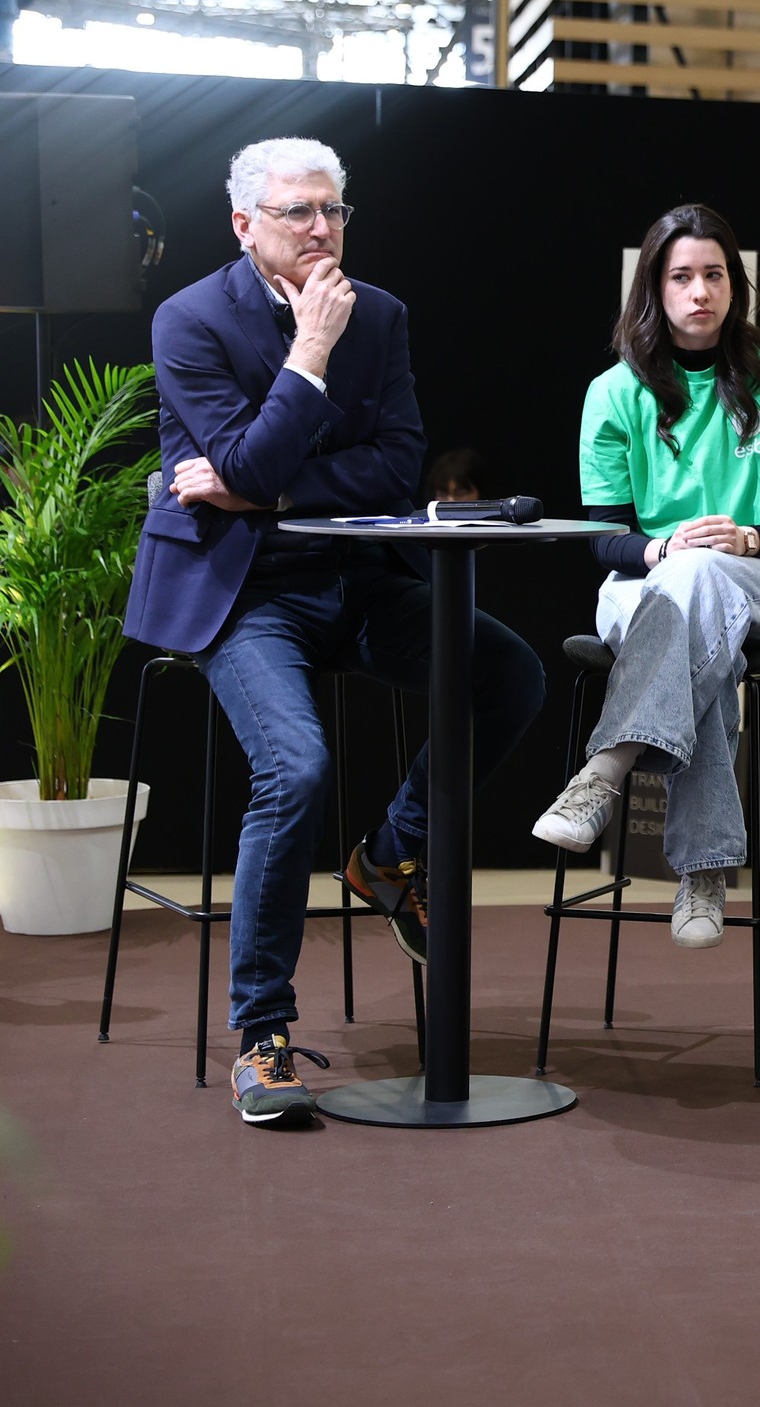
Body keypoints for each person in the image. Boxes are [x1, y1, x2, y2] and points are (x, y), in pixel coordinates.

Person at [122, 136, 547, 1127]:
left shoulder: (382, 314)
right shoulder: (189, 319)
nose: (321, 229)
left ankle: (392, 851)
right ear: (245, 225)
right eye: (297, 213)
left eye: (333, 211)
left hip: (356, 581)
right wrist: (308, 354)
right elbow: (248, 458)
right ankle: (261, 1034)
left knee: (511, 672)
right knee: (298, 768)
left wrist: (261, 487)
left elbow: (393, 467)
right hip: (241, 595)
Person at [532, 205, 760, 952]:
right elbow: (605, 538)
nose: (700, 292)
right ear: (654, 289)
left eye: (715, 275)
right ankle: (704, 869)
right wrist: (664, 549)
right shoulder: (613, 391)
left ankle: (605, 770)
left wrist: (748, 536)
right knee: (701, 622)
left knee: (703, 580)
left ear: (736, 286)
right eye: (682, 277)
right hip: (646, 586)